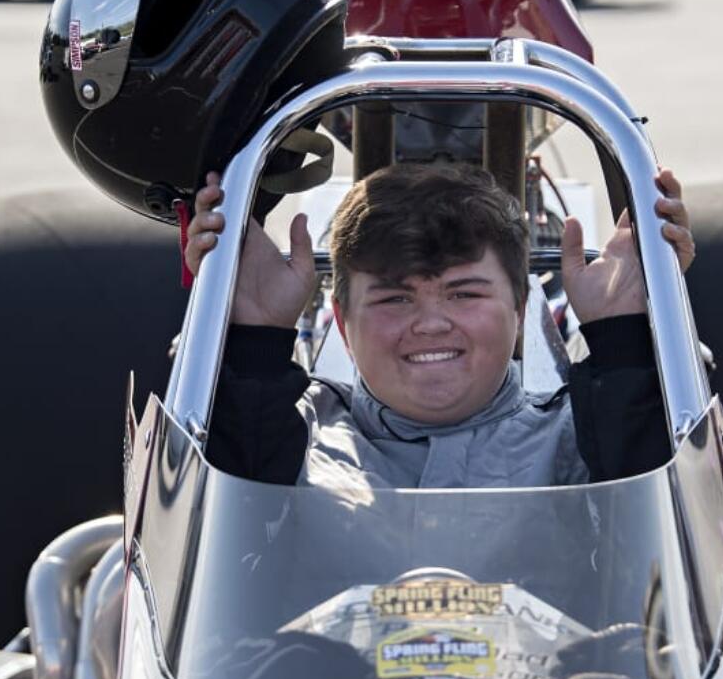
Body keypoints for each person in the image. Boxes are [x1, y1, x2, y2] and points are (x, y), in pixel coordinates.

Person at [183, 161, 695, 488]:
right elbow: (220, 512)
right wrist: (253, 340)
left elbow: (660, 509)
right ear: (341, 321)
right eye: (395, 298)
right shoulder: (294, 439)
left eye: (463, 293)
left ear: (519, 309)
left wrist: (623, 336)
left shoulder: (586, 438)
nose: (430, 323)